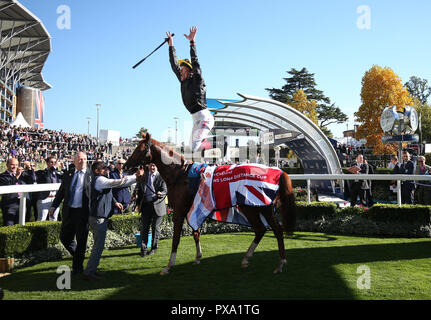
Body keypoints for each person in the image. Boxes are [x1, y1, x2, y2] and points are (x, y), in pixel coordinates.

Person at [83, 161, 144, 280]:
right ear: (96, 171)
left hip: (98, 217)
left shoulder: (100, 179)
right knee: (98, 247)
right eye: (103, 167)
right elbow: (119, 183)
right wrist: (136, 176)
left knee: (98, 246)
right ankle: (89, 272)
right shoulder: (100, 180)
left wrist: (115, 202)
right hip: (98, 218)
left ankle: (92, 269)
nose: (107, 169)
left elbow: (109, 192)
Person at [166, 26, 215, 153]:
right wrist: (171, 46)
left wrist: (192, 43)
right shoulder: (183, 79)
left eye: (183, 70)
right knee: (190, 150)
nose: (180, 71)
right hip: (195, 119)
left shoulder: (197, 79)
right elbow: (173, 64)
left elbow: (196, 63)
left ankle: (218, 142)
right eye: (180, 70)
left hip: (204, 117)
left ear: (190, 72)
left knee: (194, 147)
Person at [48, 152, 92, 276]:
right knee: (64, 237)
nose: (82, 161)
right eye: (79, 159)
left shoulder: (91, 175)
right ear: (74, 161)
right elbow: (61, 191)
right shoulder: (69, 173)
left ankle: (77, 268)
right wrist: (54, 206)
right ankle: (78, 255)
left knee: (81, 240)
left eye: (84, 159)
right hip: (69, 211)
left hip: (83, 213)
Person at [136, 163, 167, 257]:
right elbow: (140, 190)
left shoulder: (161, 176)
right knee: (144, 227)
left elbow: (165, 190)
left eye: (154, 166)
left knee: (155, 227)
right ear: (148, 166)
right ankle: (143, 249)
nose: (152, 167)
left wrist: (160, 193)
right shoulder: (144, 175)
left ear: (157, 167)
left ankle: (154, 248)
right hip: (146, 205)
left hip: (157, 205)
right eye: (151, 166)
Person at [35, 156, 63, 221]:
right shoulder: (42, 172)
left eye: (55, 162)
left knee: (54, 219)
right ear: (47, 163)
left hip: (55, 199)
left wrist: (63, 168)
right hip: (45, 198)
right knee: (42, 219)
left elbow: (67, 176)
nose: (53, 163)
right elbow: (46, 176)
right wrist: (54, 167)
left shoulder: (58, 173)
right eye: (51, 162)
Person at [0, 158, 25, 226]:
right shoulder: (2, 176)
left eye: (16, 165)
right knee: (9, 225)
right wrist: (16, 177)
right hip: (9, 204)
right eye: (12, 165)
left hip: (21, 203)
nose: (14, 167)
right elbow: (8, 186)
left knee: (20, 225)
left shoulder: (21, 174)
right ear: (7, 165)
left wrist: (30, 169)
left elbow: (32, 180)